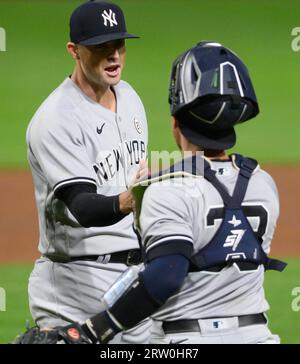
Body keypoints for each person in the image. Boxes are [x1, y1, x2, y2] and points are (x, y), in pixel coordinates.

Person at [21, 41, 286, 345]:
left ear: (175, 124)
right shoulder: (263, 184)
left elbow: (166, 275)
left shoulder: (166, 191)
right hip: (259, 336)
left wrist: (91, 332)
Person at [25, 1, 150, 344]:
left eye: (119, 45)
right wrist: (127, 201)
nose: (114, 56)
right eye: (101, 47)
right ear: (74, 51)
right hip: (74, 284)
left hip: (132, 278)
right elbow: (82, 206)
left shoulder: (130, 98)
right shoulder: (56, 119)